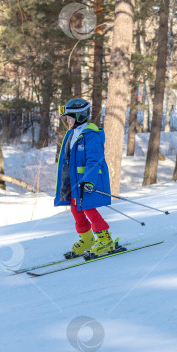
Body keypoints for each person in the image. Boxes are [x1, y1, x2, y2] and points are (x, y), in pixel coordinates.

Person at [55, 98, 116, 258]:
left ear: (80, 116)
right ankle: (87, 239)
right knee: (75, 209)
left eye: (70, 118)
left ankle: (105, 239)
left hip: (87, 181)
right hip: (73, 181)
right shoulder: (72, 133)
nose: (68, 121)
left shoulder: (91, 135)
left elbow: (94, 160)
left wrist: (88, 180)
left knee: (88, 208)